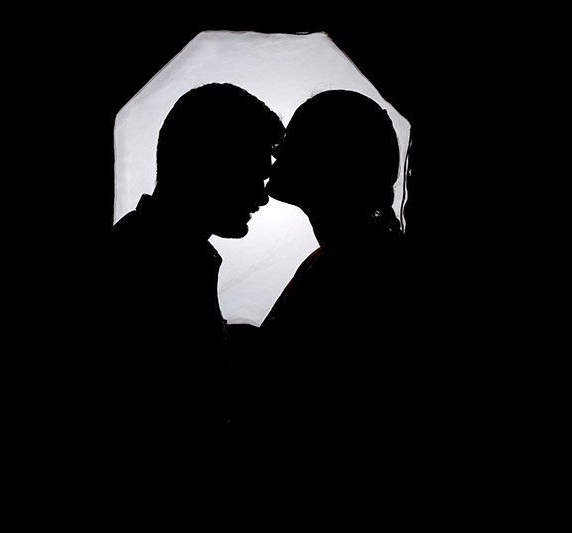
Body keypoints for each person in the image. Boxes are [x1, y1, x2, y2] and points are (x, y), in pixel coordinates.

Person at [110, 83, 284, 429]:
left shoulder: (152, 250)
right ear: (210, 166)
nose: (262, 197)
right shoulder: (156, 265)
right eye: (252, 175)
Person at [242, 90, 413, 434]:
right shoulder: (338, 257)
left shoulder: (362, 271)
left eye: (294, 139)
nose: (277, 151)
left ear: (331, 160)